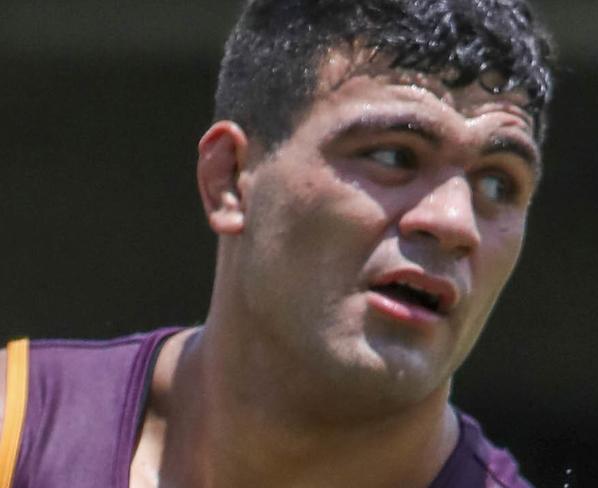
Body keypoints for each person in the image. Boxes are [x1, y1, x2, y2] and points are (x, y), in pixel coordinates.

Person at [0, 0, 554, 486]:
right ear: (230, 178)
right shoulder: (17, 429)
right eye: (392, 156)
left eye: (497, 183)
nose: (456, 221)